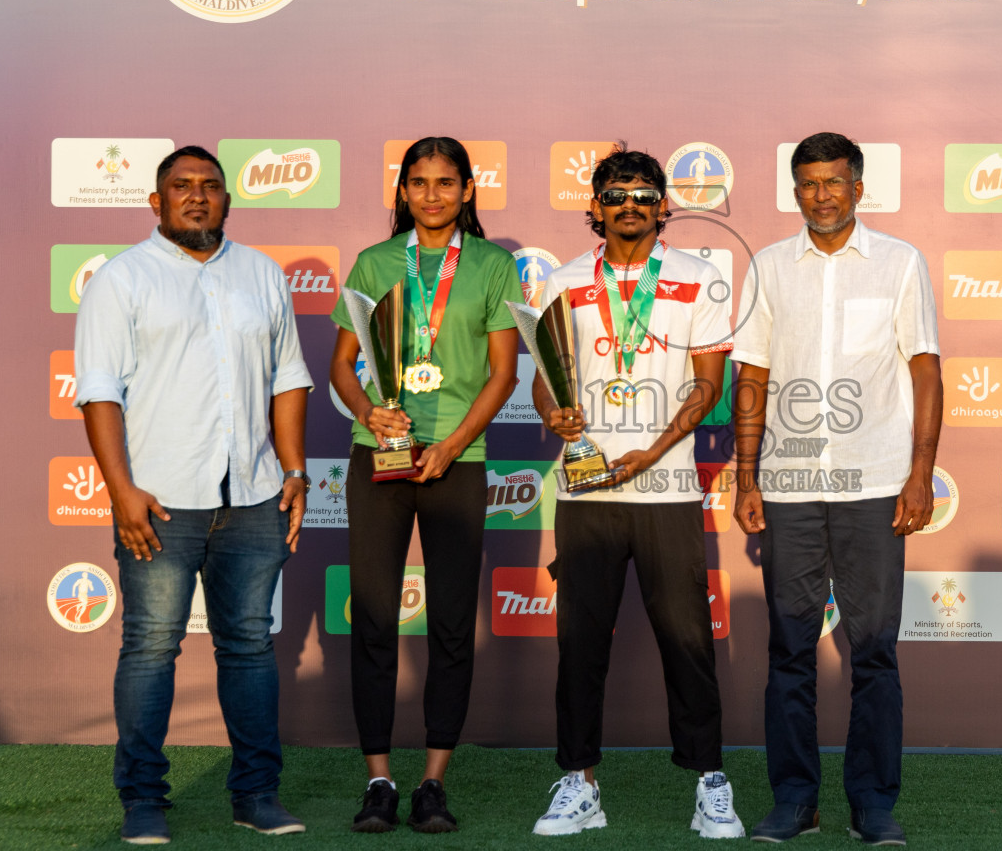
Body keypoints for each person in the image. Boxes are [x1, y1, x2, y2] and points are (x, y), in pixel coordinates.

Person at [74, 145, 313, 845]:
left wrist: (294, 473)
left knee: (248, 649)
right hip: (159, 502)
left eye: (211, 186)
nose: (197, 197)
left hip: (253, 498)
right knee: (150, 649)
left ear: (228, 201)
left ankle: (256, 795)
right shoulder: (122, 280)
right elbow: (98, 394)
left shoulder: (261, 274)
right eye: (181, 187)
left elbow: (288, 379)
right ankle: (143, 801)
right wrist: (121, 492)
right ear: (156, 202)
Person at [731, 132, 943, 846]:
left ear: (859, 187)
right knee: (789, 648)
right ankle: (794, 799)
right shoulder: (768, 266)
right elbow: (752, 377)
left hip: (877, 482)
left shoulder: (899, 262)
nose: (821, 194)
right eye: (808, 184)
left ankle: (873, 804)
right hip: (790, 484)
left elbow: (924, 371)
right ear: (796, 191)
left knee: (874, 649)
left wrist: (920, 473)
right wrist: (747, 475)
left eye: (834, 181)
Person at [532, 146, 744, 839]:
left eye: (643, 194)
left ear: (664, 207)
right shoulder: (561, 280)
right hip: (587, 488)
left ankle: (711, 782)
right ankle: (578, 783)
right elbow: (545, 377)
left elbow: (709, 387)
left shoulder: (701, 277)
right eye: (616, 194)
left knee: (687, 641)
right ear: (594, 207)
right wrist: (551, 411)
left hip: (669, 486)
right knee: (581, 642)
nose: (630, 204)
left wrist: (651, 452)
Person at [329, 136, 521, 834]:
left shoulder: (495, 266)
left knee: (448, 625)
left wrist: (453, 445)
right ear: (402, 190)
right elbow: (343, 366)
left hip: (456, 461)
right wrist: (366, 410)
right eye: (419, 182)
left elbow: (503, 373)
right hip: (377, 458)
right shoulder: (376, 262)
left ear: (469, 190)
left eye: (446, 182)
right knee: (376, 620)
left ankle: (433, 781)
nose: (432, 194)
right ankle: (379, 780)